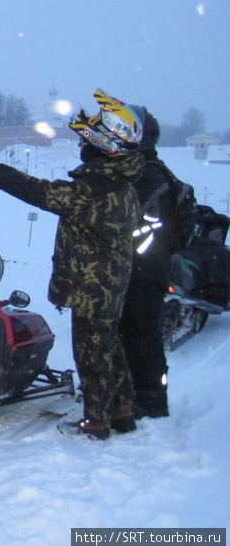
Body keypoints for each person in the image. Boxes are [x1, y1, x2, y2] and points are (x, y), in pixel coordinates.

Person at [0, 89, 145, 441]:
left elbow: (41, 193)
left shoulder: (97, 188)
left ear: (105, 144)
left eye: (86, 141)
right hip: (109, 282)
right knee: (108, 345)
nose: (81, 146)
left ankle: (97, 421)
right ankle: (121, 408)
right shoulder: (118, 182)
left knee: (92, 354)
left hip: (94, 286)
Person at [119, 109, 184, 419]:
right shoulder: (157, 171)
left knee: (138, 334)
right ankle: (144, 395)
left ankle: (147, 398)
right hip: (151, 267)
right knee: (142, 334)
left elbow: (128, 227)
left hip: (139, 270)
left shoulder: (142, 175)